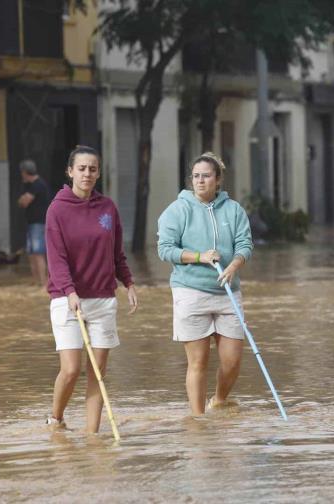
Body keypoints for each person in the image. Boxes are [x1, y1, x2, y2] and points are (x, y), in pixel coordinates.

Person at [44, 146, 138, 431]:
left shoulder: (107, 208)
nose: (87, 174)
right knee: (71, 369)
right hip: (67, 299)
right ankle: (56, 419)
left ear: (98, 173)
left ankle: (92, 436)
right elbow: (56, 259)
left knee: (97, 373)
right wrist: (70, 291)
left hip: (103, 300)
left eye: (93, 169)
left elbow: (116, 252)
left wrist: (129, 282)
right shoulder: (56, 209)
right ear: (70, 171)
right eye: (82, 168)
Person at [157, 152, 253, 415]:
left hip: (227, 292)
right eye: (196, 176)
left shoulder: (233, 210)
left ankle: (220, 400)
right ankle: (198, 420)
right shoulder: (177, 210)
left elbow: (245, 244)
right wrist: (200, 257)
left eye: (206, 176)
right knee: (198, 362)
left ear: (218, 180)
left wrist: (234, 265)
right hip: (190, 291)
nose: (200, 181)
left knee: (232, 361)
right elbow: (165, 250)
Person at [17, 159, 50, 287]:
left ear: (25, 172)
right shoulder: (30, 186)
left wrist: (23, 199)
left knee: (38, 253)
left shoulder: (38, 185)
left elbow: (24, 202)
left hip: (39, 223)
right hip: (32, 223)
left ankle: (43, 283)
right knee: (31, 254)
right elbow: (21, 201)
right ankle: (37, 281)